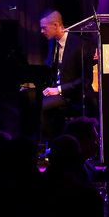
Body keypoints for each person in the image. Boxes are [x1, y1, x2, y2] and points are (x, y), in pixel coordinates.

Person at [40, 9, 90, 141]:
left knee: (41, 106)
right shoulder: (52, 42)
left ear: (56, 25)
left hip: (71, 94)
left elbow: (85, 79)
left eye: (44, 28)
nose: (42, 31)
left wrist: (59, 90)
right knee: (30, 99)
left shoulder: (78, 44)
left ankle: (51, 144)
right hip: (56, 90)